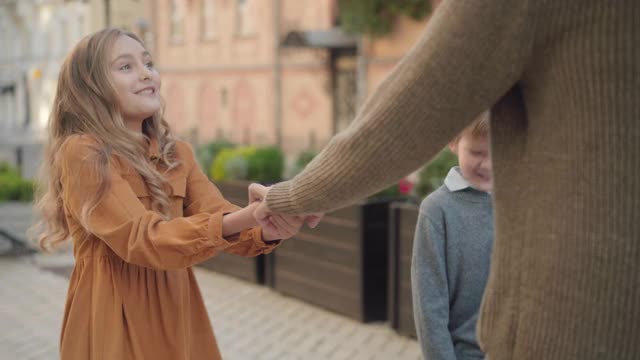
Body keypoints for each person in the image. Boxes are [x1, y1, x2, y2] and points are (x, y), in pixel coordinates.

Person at [251, 1, 640, 358]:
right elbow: (430, 307)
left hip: (574, 326)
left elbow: (403, 118)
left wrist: (292, 197)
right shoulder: (439, 210)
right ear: (458, 145)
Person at [33, 28, 303, 360]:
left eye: (148, 62)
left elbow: (220, 216)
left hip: (179, 312)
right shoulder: (84, 152)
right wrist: (246, 216)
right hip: (115, 316)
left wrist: (265, 223)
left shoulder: (178, 154)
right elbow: (141, 239)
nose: (146, 73)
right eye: (126, 66)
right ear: (91, 88)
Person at [412, 113, 493, 359]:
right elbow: (429, 308)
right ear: (454, 141)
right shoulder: (436, 211)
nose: (488, 164)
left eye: (498, 151)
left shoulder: (516, 201)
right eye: (477, 152)